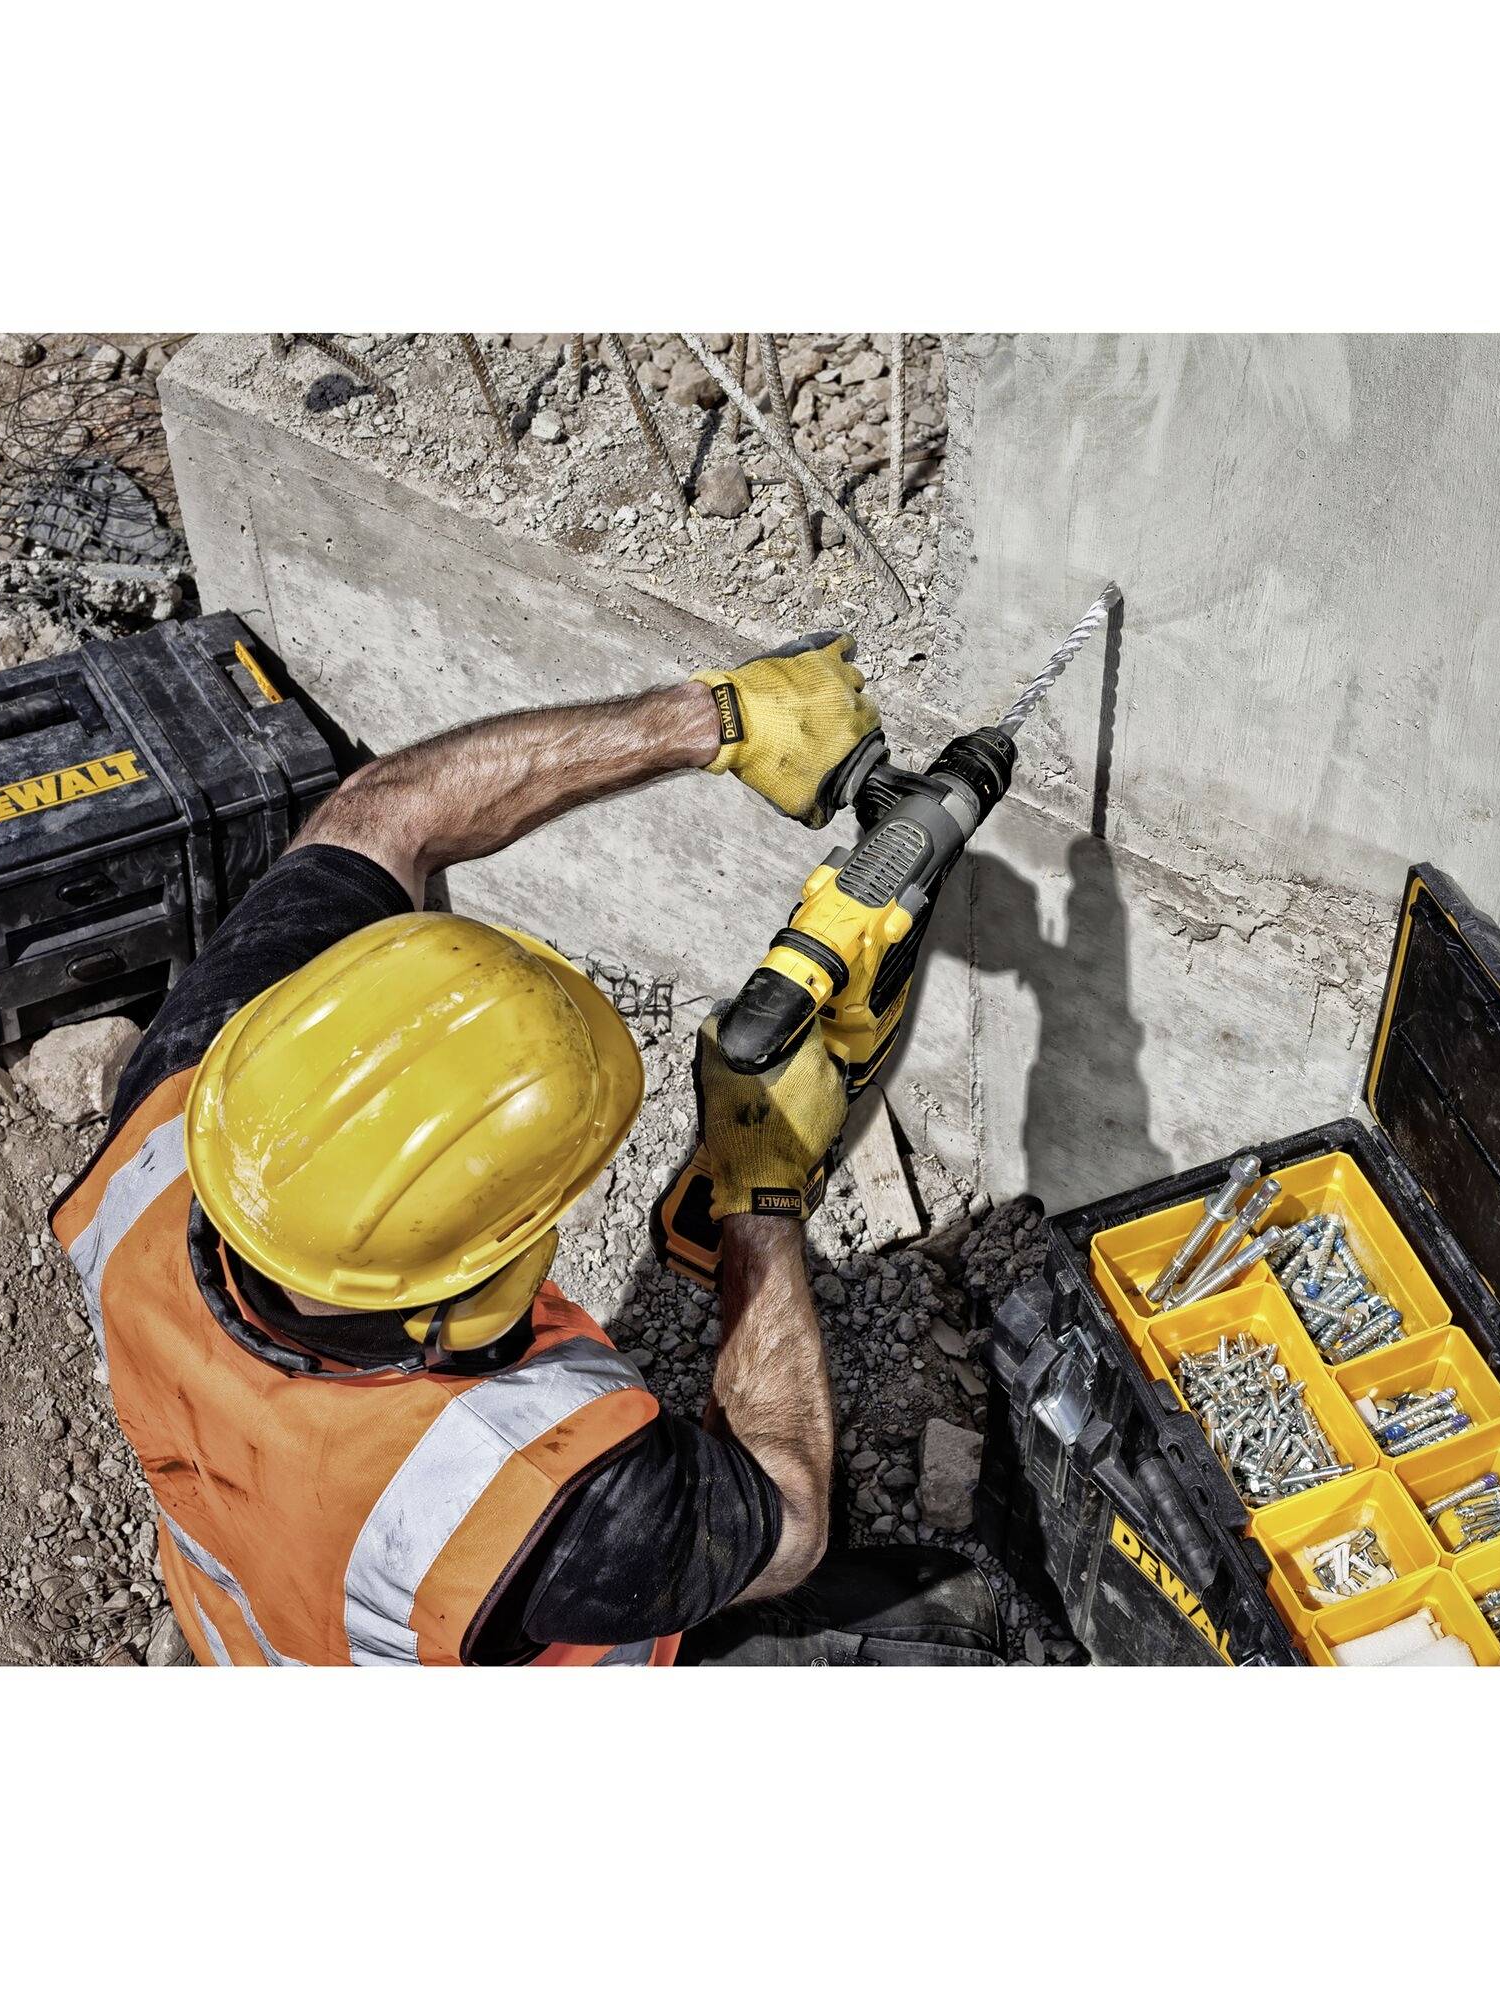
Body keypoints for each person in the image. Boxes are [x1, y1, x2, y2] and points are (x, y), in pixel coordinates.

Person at [50, 634, 1001, 1666]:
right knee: (939, 1609)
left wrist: (708, 719)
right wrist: (761, 1193)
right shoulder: (520, 1486)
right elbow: (792, 1520)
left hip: (241, 1619)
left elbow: (379, 816)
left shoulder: (179, 1119)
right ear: (473, 1287)